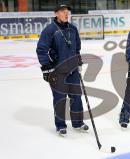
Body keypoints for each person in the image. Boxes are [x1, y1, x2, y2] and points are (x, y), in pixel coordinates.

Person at [36, 5, 88, 137]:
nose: (66, 14)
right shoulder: (50, 30)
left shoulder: (73, 29)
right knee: (60, 99)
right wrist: (46, 67)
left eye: (67, 12)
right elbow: (41, 50)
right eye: (62, 12)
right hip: (58, 71)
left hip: (73, 70)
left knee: (76, 97)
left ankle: (78, 122)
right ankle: (60, 125)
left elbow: (77, 48)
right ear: (56, 14)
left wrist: (78, 60)